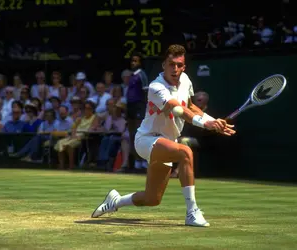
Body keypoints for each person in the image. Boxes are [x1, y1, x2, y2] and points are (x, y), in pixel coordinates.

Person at [91, 45, 236, 227]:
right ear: (163, 65)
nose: (175, 69)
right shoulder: (156, 87)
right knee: (185, 152)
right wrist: (205, 124)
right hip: (146, 140)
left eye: (179, 65)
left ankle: (115, 201)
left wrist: (214, 121)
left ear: (184, 67)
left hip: (167, 143)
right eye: (171, 64)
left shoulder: (185, 81)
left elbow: (190, 106)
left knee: (152, 198)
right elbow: (179, 109)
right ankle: (192, 213)